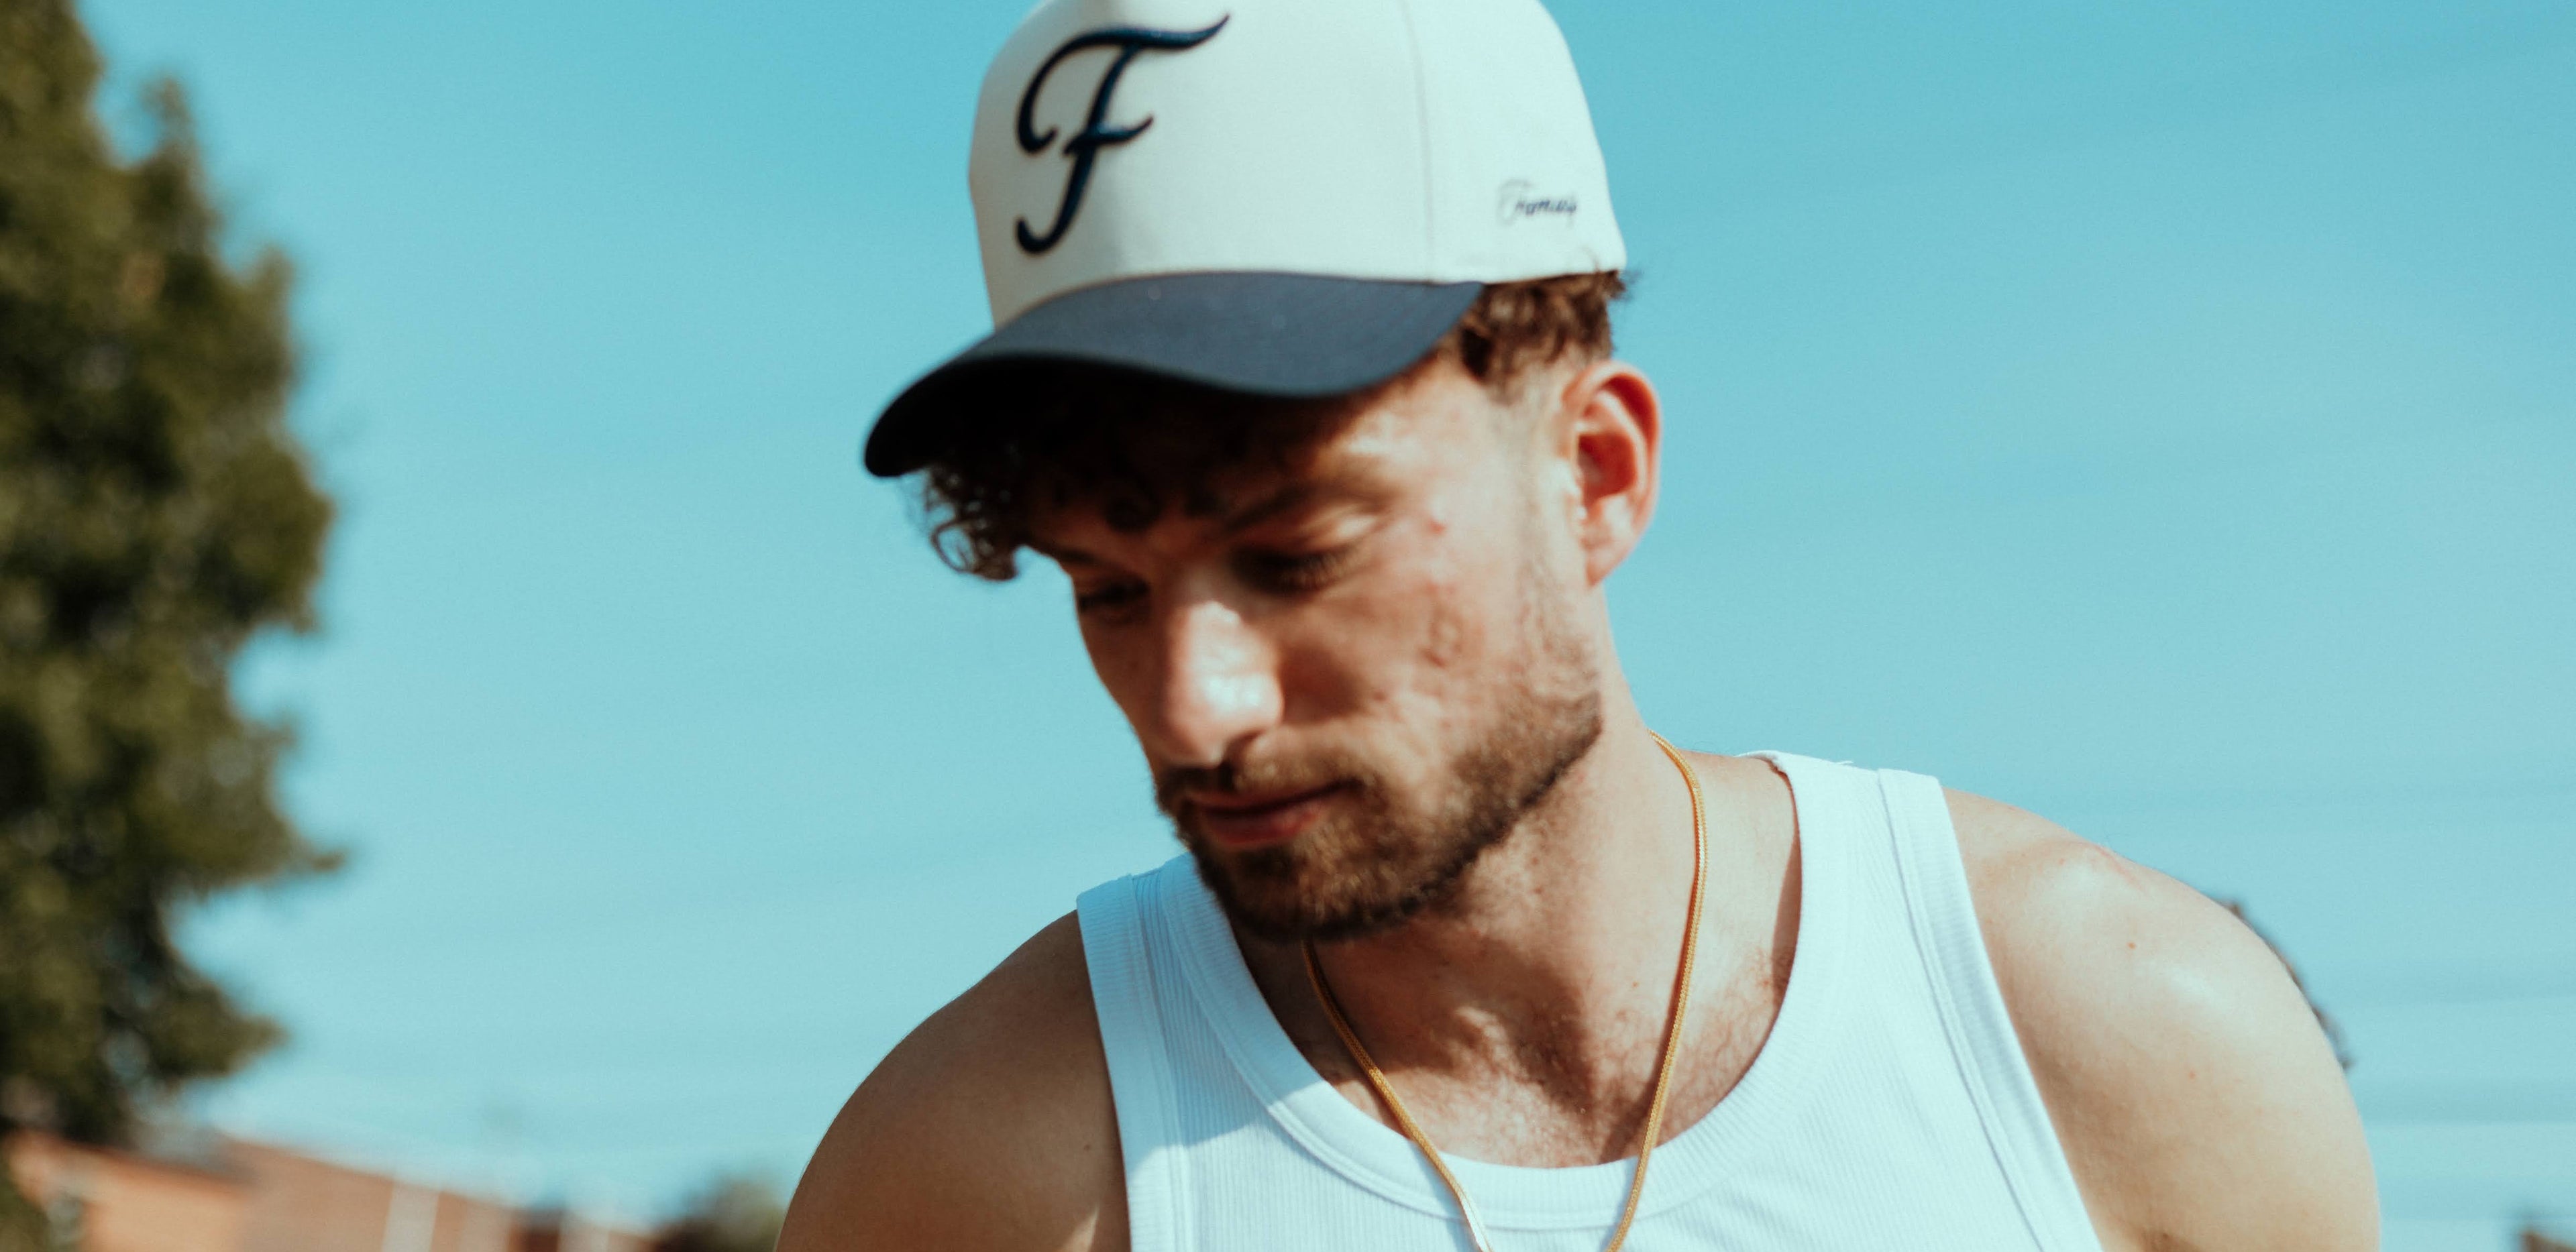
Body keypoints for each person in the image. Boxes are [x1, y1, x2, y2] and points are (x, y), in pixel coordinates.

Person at [781, 1, 2378, 1248]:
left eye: (1298, 555)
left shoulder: (2119, 1040)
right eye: (1108, 588)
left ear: (1594, 473)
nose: (1193, 709)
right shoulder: (980, 1173)